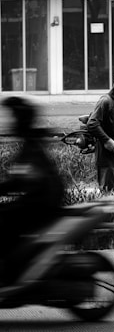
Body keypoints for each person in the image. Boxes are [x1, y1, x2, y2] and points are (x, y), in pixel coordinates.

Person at [0, 97, 64, 283]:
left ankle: (13, 273)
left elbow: (18, 182)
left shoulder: (31, 147)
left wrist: (6, 188)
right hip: (40, 200)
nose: (9, 122)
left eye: (12, 117)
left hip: (42, 203)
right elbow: (17, 181)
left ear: (20, 120)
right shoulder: (30, 142)